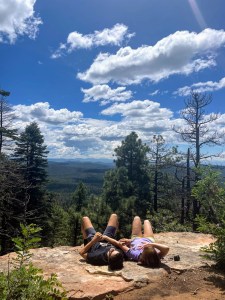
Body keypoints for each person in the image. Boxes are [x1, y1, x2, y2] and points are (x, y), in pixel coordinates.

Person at [104, 216, 169, 268]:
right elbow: (166, 248)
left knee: (136, 218)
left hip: (135, 238)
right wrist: (150, 244)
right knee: (146, 221)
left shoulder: (135, 255)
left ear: (143, 256)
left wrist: (130, 242)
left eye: (144, 249)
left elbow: (120, 245)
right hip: (149, 239)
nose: (143, 247)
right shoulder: (156, 256)